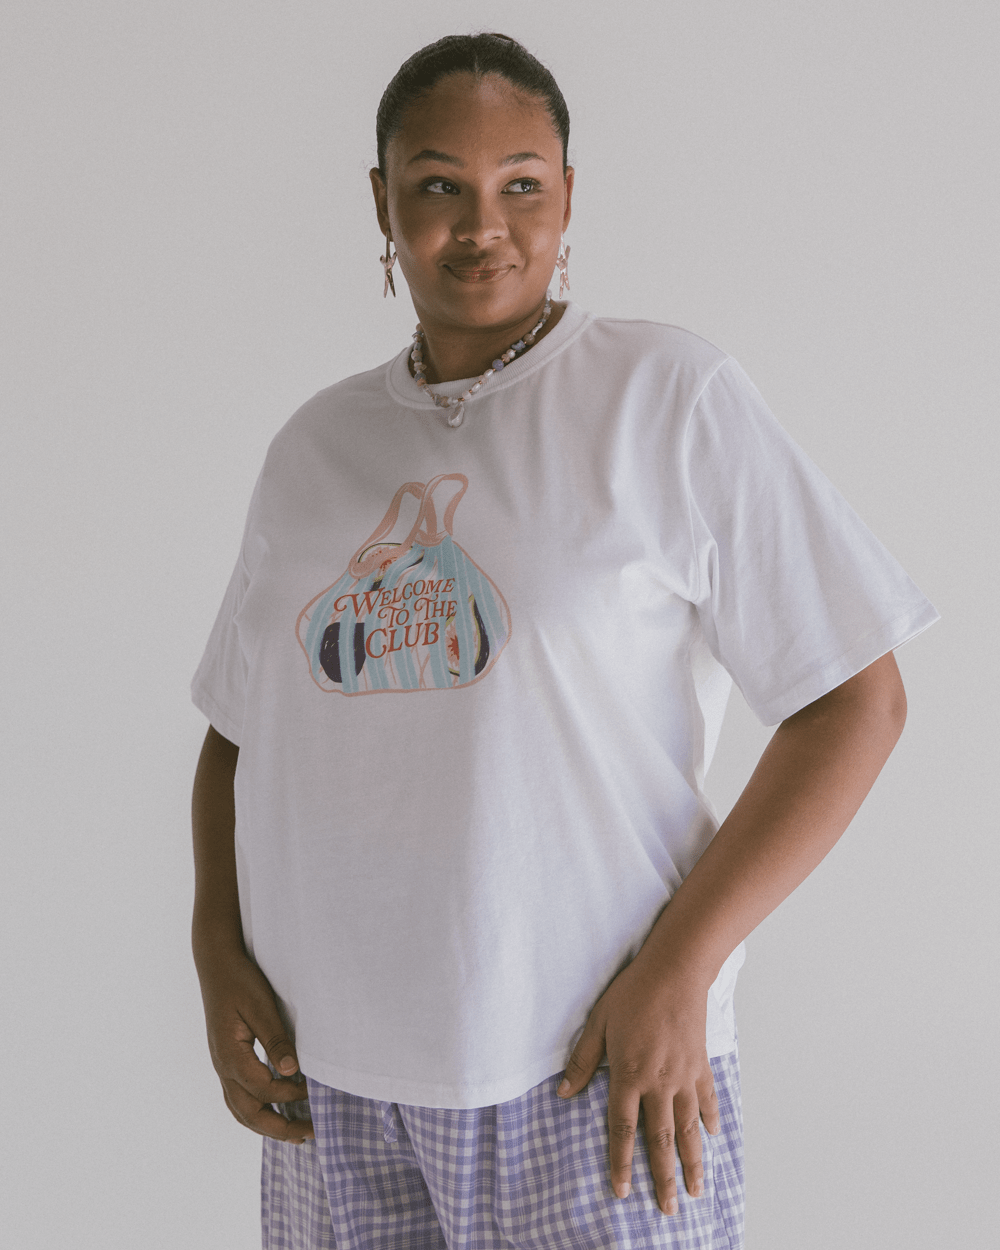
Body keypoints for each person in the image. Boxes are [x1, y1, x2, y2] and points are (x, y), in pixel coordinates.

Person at [190, 32, 938, 1250]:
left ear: (569, 198)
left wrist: (680, 969)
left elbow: (856, 700)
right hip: (336, 1088)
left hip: (593, 1067)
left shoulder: (667, 396)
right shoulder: (314, 449)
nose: (482, 225)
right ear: (381, 203)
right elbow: (236, 732)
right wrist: (214, 942)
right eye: (439, 184)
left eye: (521, 184)